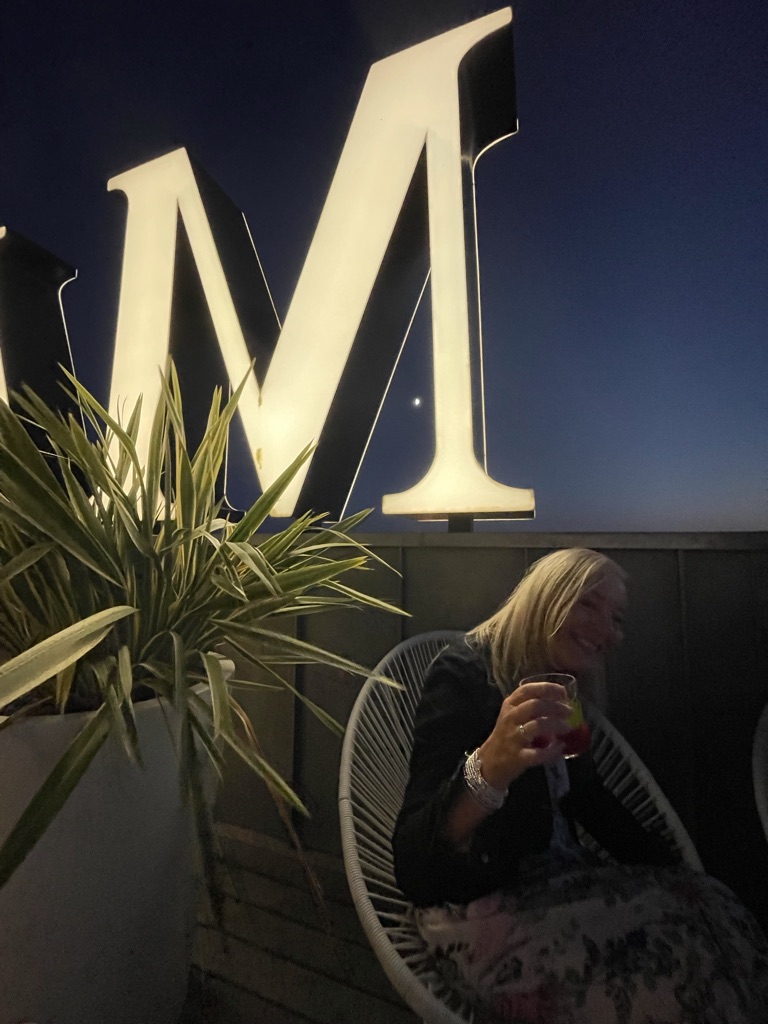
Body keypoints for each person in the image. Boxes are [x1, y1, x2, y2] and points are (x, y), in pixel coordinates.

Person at [393, 548, 768, 1024]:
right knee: (683, 976)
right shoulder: (464, 675)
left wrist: (672, 870)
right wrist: (490, 767)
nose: (607, 630)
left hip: (565, 886)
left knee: (717, 911)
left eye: (616, 618)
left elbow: (585, 796)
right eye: (587, 603)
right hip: (486, 904)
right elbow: (415, 865)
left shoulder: (561, 683)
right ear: (545, 597)